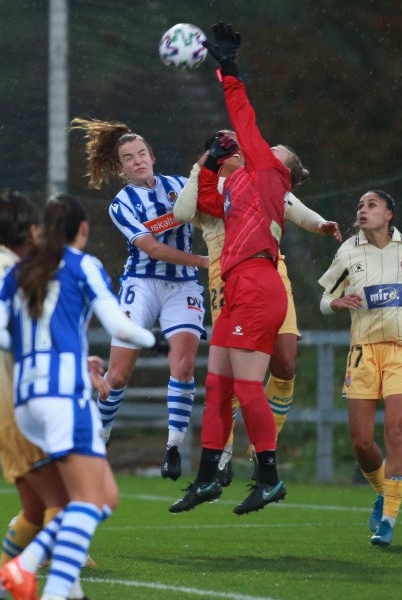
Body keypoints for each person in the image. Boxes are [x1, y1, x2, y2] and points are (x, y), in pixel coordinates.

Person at [0, 194, 160, 600]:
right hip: (64, 398)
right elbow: (121, 325)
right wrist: (153, 339)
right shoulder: (83, 264)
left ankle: (44, 579)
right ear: (82, 229)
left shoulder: (22, 270)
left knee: (100, 497)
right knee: (90, 502)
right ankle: (39, 582)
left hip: (27, 402)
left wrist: (31, 352)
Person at [169, 21, 304, 515]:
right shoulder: (238, 184)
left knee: (247, 386)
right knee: (217, 387)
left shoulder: (267, 173)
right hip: (235, 287)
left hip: (258, 284)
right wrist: (208, 162)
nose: (261, 146)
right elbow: (205, 201)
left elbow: (243, 115)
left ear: (280, 166)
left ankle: (268, 476)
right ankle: (207, 477)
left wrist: (227, 66)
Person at [173, 129, 342, 486]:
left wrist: (320, 224)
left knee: (285, 363)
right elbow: (182, 211)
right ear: (217, 157)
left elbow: (294, 207)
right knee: (232, 377)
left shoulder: (261, 181)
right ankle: (225, 459)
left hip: (268, 273)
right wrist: (200, 165)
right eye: (230, 149)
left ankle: (265, 450)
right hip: (226, 281)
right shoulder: (209, 190)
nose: (241, 153)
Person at [0, 190, 96, 600]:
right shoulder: (0, 267)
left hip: (18, 403)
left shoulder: (14, 266)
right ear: (31, 228)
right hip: (15, 405)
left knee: (39, 510)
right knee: (65, 500)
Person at [69, 117, 208, 481]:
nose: (138, 161)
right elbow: (152, 248)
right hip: (142, 283)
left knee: (183, 365)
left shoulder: (181, 186)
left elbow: (215, 210)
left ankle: (173, 448)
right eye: (129, 157)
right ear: (120, 168)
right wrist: (204, 261)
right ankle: (100, 441)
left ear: (152, 155)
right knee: (117, 375)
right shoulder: (122, 204)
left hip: (184, 286)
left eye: (142, 153)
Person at [317, 190, 402, 547]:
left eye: (371, 205)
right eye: (360, 206)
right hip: (363, 353)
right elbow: (324, 298)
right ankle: (385, 490)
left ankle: (388, 520)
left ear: (389, 214)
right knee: (361, 442)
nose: (363, 210)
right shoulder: (348, 250)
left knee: (396, 432)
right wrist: (336, 303)